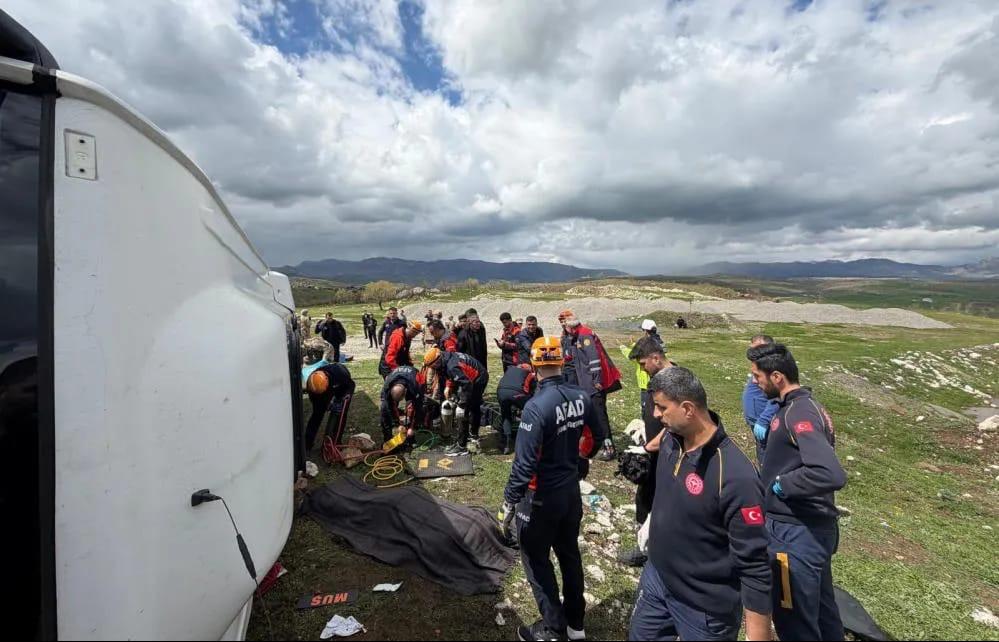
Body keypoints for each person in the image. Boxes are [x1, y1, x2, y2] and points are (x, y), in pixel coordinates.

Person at [630, 367, 772, 641]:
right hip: (657, 580)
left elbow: (755, 566)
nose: (656, 415)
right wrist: (644, 453)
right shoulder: (672, 439)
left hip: (703, 606)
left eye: (661, 408)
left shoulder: (734, 476)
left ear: (687, 409)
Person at [498, 336, 604, 642]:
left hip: (540, 498)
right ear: (563, 361)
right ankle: (576, 624)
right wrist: (581, 459)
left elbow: (524, 464)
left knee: (536, 561)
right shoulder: (582, 396)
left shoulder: (535, 407)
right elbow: (597, 436)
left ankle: (554, 628)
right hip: (570, 493)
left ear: (534, 365)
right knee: (570, 555)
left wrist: (508, 502)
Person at [747, 342, 847, 641]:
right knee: (822, 612)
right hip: (809, 529)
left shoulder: (798, 415)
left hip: (795, 533)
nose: (754, 382)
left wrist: (783, 484)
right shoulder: (797, 406)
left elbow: (829, 472)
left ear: (777, 376)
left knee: (795, 623)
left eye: (757, 376)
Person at [617, 336, 675, 568]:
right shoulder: (656, 380)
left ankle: (655, 553)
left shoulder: (673, 382)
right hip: (653, 451)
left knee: (658, 501)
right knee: (644, 498)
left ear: (655, 357)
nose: (642, 369)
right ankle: (646, 546)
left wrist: (649, 446)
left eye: (643, 364)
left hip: (666, 454)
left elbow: (674, 424)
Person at [563, 311, 621, 462]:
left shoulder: (584, 335)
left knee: (600, 416)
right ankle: (593, 443)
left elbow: (594, 360)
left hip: (593, 385)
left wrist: (596, 380)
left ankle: (609, 447)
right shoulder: (577, 336)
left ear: (570, 327)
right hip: (586, 385)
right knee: (591, 415)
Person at [424, 347, 488, 456]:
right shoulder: (446, 357)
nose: (433, 369)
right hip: (475, 375)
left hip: (477, 379)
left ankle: (461, 446)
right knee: (473, 406)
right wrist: (448, 387)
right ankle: (473, 434)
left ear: (437, 361)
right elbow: (453, 375)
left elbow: (467, 384)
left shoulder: (451, 365)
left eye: (432, 366)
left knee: (462, 412)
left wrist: (462, 404)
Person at [303, 355, 356, 455]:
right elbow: (315, 402)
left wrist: (344, 398)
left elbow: (351, 385)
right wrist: (325, 405)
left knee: (341, 412)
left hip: (344, 387)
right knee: (317, 415)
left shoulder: (340, 374)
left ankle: (336, 441)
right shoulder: (312, 384)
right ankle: (307, 444)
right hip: (321, 393)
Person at [743, 334, 779, 465]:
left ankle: (768, 479)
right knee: (761, 451)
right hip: (756, 421)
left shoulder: (771, 369)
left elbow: (776, 397)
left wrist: (764, 420)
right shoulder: (758, 366)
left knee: (767, 454)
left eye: (757, 348)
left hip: (765, 422)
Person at [621, 319, 665, 412]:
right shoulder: (660, 342)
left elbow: (634, 357)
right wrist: (633, 344)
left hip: (646, 383)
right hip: (660, 382)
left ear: (645, 331)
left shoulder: (646, 344)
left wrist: (622, 347)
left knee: (647, 409)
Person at [458, 309, 489, 437]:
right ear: (469, 323)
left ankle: (475, 420)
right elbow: (459, 352)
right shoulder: (463, 334)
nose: (478, 324)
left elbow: (484, 348)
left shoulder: (481, 330)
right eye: (475, 322)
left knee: (477, 395)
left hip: (481, 364)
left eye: (478, 322)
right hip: (469, 367)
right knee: (469, 395)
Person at [496, 363, 537, 455]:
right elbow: (533, 391)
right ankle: (530, 439)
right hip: (517, 392)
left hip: (501, 391)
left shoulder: (509, 370)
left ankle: (505, 444)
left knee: (505, 416)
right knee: (530, 412)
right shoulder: (530, 373)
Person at [379, 365, 426, 445]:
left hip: (413, 380)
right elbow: (389, 406)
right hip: (398, 379)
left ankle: (411, 436)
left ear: (405, 392)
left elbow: (417, 407)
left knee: (413, 407)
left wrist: (412, 427)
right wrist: (397, 423)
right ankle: (387, 440)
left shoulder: (415, 385)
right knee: (384, 410)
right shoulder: (387, 385)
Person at [557, 310, 578, 386]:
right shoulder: (564, 334)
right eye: (561, 322)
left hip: (574, 368)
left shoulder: (575, 333)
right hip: (565, 366)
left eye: (564, 321)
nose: (563, 324)